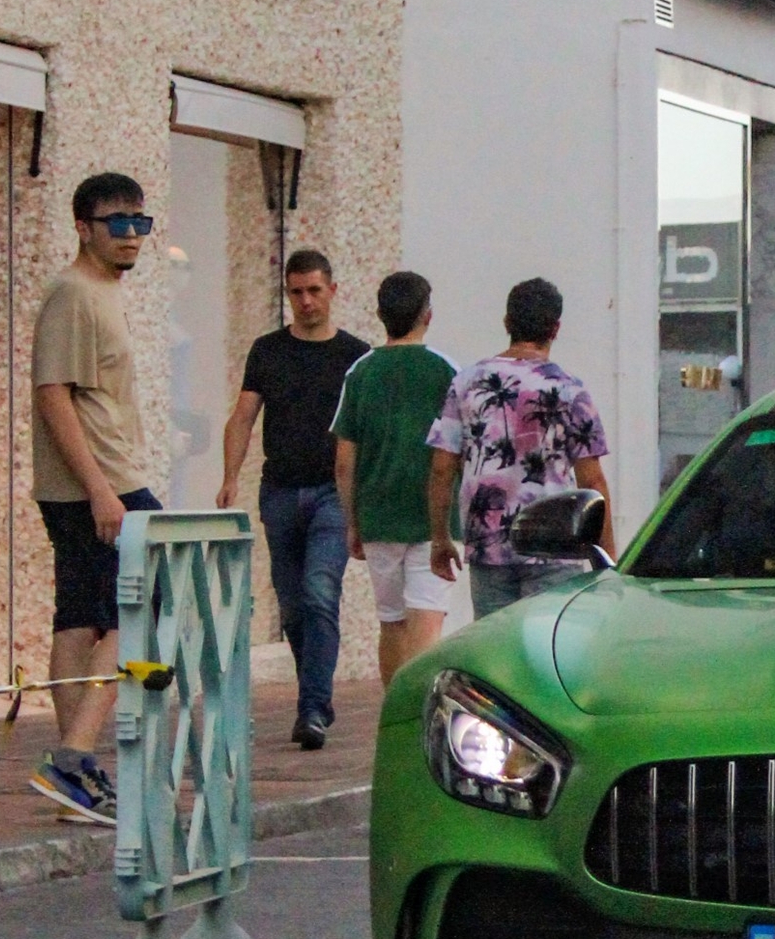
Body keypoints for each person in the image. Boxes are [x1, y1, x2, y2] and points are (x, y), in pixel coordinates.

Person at [29, 169, 158, 822]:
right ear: (84, 228)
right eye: (118, 223)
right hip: (100, 484)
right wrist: (103, 492)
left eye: (141, 223)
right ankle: (75, 756)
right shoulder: (73, 293)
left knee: (81, 619)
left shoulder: (101, 292)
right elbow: (54, 395)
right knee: (145, 604)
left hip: (99, 482)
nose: (132, 235)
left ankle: (71, 774)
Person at [220, 248, 369, 748]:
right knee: (291, 608)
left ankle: (312, 708)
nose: (305, 301)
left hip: (332, 493)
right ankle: (315, 695)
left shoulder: (356, 356)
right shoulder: (267, 351)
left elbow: (368, 432)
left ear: (332, 291)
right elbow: (243, 416)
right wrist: (228, 477)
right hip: (279, 491)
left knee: (320, 591)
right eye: (296, 292)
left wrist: (363, 500)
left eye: (314, 290)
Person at [427, 276, 613, 617]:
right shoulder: (570, 390)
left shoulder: (466, 383)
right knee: (549, 649)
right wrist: (607, 558)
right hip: (555, 547)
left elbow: (442, 468)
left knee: (494, 653)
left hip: (487, 546)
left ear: (507, 323)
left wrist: (440, 538)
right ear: (555, 329)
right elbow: (593, 481)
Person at [333, 269, 457, 680]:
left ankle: (394, 712)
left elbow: (344, 461)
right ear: (428, 315)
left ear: (380, 315)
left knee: (391, 623)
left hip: (378, 516)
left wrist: (353, 522)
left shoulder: (360, 372)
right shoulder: (446, 371)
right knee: (427, 625)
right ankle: (421, 719)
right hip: (431, 519)